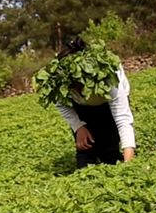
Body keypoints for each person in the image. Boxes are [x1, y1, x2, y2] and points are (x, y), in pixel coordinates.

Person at [54, 38, 136, 168]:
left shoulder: (109, 80)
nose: (78, 89)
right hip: (81, 110)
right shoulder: (62, 81)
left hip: (106, 106)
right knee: (85, 157)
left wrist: (129, 165)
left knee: (109, 155)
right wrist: (78, 127)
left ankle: (111, 155)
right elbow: (60, 103)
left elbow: (123, 119)